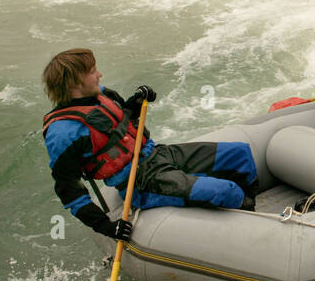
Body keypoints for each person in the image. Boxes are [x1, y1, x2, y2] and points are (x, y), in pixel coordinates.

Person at [42, 49, 259, 243]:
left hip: (158, 154)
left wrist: (138, 99)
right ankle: (254, 227)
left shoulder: (99, 94)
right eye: (92, 71)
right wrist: (106, 227)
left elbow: (124, 118)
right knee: (224, 190)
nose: (99, 75)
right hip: (141, 182)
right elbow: (68, 191)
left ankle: (250, 207)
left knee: (240, 154)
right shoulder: (63, 133)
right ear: (74, 84)